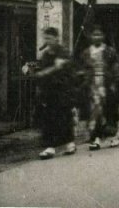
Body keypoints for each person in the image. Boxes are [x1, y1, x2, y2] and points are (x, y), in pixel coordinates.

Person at [34, 27, 77, 159]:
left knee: (64, 117)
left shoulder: (63, 52)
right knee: (49, 118)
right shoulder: (46, 55)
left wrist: (61, 66)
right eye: (46, 38)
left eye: (50, 38)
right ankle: (50, 147)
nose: (48, 40)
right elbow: (41, 70)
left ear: (56, 38)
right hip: (49, 91)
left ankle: (70, 143)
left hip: (63, 90)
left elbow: (70, 71)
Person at [80, 24, 119, 151]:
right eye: (94, 34)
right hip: (93, 86)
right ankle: (96, 138)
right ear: (90, 36)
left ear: (103, 36)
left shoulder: (110, 51)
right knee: (94, 113)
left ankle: (113, 136)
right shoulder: (86, 53)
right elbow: (83, 68)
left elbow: (116, 65)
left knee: (109, 111)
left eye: (99, 34)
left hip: (107, 85)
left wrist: (113, 77)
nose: (97, 37)